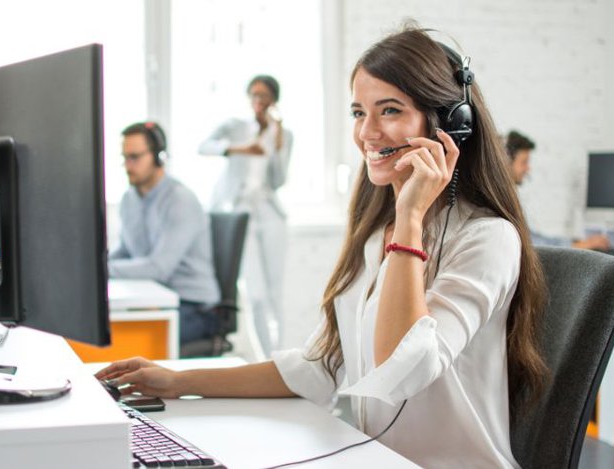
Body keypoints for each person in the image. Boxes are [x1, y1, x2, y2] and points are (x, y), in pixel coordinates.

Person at [98, 28, 548, 468]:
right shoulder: (377, 236)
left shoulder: (487, 239)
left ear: (452, 125)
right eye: (358, 112)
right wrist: (178, 381)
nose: (367, 133)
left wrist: (410, 219)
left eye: (389, 110)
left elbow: (404, 372)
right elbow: (320, 366)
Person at [198, 75, 294, 356]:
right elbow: (203, 146)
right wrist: (239, 148)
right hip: (239, 212)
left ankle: (280, 356)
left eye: (264, 95)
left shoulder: (283, 134)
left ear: (273, 100)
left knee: (275, 292)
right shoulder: (235, 127)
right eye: (253, 94)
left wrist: (277, 144)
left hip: (269, 212)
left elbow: (278, 180)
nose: (258, 100)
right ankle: (265, 359)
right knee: (256, 294)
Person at [108, 122, 220, 348]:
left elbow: (159, 268)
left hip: (194, 307)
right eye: (124, 158)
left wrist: (101, 271)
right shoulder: (129, 199)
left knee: (121, 340)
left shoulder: (180, 200)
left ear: (159, 157)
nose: (128, 165)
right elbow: (127, 251)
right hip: (156, 299)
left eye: (135, 157)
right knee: (108, 328)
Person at [506, 130, 611, 250]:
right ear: (507, 162)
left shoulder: (511, 197)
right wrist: (581, 245)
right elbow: (533, 245)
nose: (528, 168)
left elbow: (533, 237)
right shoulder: (504, 201)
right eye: (524, 162)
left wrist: (574, 243)